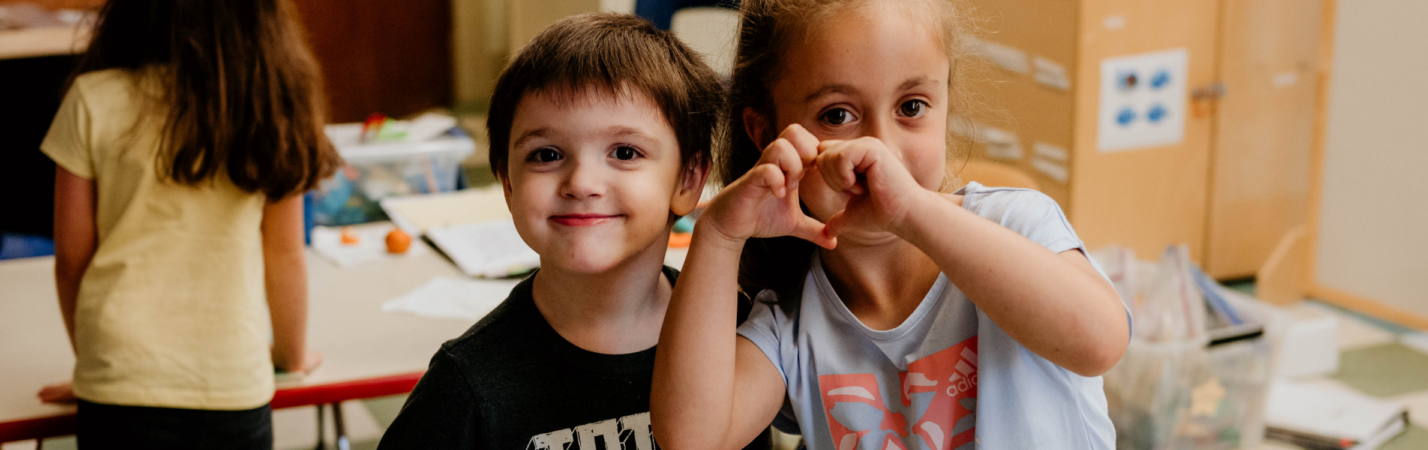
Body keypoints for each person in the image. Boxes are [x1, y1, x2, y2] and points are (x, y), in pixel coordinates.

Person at [652, 0, 1134, 448]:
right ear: (765, 133)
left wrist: (911, 211)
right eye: (837, 115)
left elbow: (1100, 343)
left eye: (911, 107)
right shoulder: (790, 324)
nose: (880, 148)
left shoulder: (1013, 223)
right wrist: (718, 234)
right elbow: (694, 439)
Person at [378, 13, 769, 449]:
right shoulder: (465, 387)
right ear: (508, 183)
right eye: (546, 155)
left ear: (689, 179)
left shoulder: (738, 334)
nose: (582, 183)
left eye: (624, 151)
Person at [37, 0, 337, 447]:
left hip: (118, 374)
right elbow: (284, 253)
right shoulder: (272, 100)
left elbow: (72, 259)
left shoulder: (91, 98)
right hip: (231, 376)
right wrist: (292, 357)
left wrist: (95, 366)